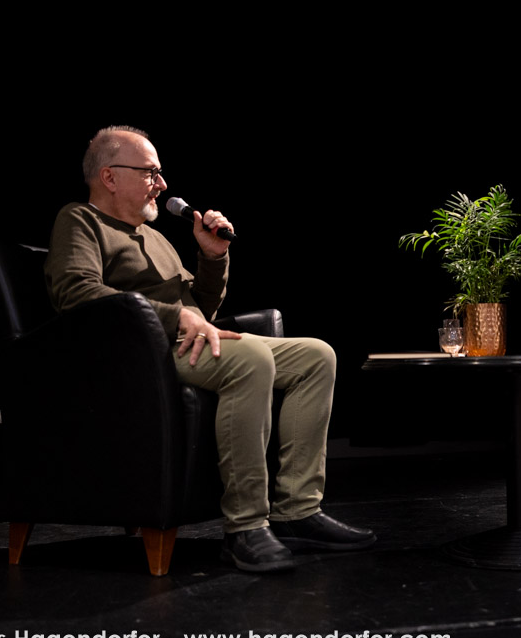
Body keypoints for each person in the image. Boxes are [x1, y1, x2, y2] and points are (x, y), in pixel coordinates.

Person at [44, 126, 375, 573]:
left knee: (316, 356)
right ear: (109, 177)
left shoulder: (155, 237)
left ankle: (297, 513)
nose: (162, 184)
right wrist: (174, 317)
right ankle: (245, 527)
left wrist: (213, 257)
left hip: (189, 343)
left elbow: (201, 308)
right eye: (150, 173)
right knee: (252, 360)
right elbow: (76, 293)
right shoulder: (80, 220)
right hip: (140, 355)